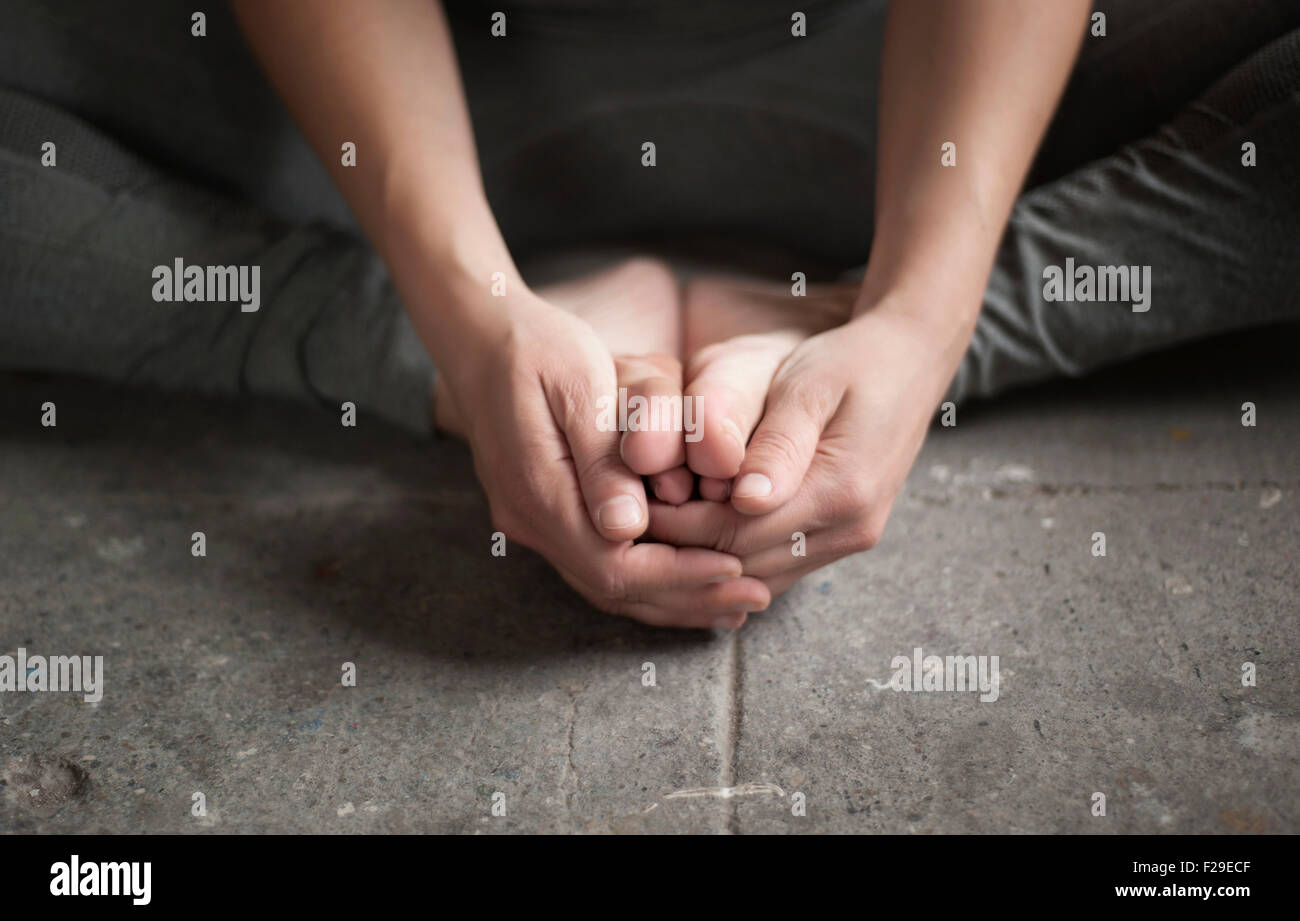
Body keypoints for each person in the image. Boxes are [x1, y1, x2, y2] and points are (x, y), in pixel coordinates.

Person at [1, 1, 1297, 628]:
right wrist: (465, 311)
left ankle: (862, 316)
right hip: (373, 107)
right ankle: (428, 334)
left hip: (930, 79)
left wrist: (925, 315)